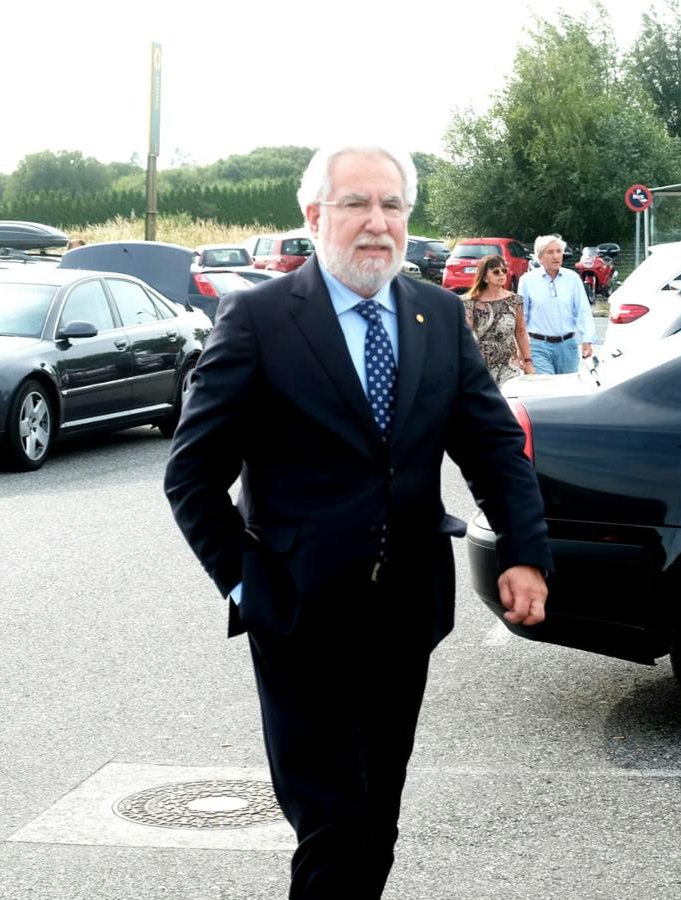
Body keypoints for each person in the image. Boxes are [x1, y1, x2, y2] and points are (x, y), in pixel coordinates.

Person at [163, 138, 552, 900]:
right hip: (299, 612)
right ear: (314, 215)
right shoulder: (259, 319)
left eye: (392, 205)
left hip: (404, 610)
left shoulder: (437, 315)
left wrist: (524, 551)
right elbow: (192, 474)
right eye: (355, 204)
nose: (377, 222)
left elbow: (492, 445)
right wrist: (246, 586)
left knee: (378, 816)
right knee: (335, 822)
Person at [518, 234, 595, 374]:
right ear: (540, 257)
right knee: (545, 388)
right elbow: (521, 317)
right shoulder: (527, 281)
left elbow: (583, 310)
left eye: (559, 251)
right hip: (538, 346)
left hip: (568, 346)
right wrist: (521, 350)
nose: (556, 256)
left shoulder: (573, 278)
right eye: (550, 252)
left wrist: (587, 339)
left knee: (566, 391)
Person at [462, 253, 534, 384]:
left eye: (504, 270)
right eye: (496, 271)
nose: (501, 274)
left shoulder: (515, 300)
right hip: (482, 365)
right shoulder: (471, 303)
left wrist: (528, 361)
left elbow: (521, 332)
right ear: (485, 277)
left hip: (510, 365)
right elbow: (466, 335)